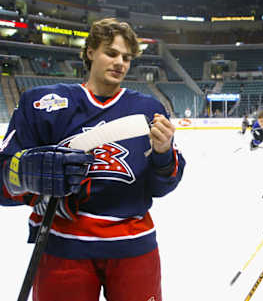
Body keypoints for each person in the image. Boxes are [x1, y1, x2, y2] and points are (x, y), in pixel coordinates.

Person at [0, 18, 186, 301]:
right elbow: (3, 182)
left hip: (133, 246)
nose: (120, 63)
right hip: (63, 246)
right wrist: (28, 172)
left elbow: (162, 187)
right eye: (111, 53)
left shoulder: (149, 110)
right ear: (90, 52)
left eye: (126, 57)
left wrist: (163, 155)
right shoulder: (42, 103)